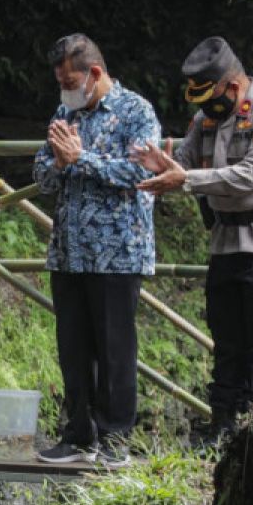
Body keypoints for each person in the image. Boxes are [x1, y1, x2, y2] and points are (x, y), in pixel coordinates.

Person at [135, 36, 253, 438]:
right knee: (227, 348)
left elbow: (252, 175)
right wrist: (166, 165)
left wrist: (186, 178)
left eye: (210, 97)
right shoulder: (205, 120)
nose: (204, 108)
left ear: (233, 86)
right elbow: (186, 161)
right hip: (226, 247)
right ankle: (221, 435)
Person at [32, 33, 161, 467]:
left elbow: (140, 171)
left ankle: (115, 438)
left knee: (114, 347)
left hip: (118, 252)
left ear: (95, 74)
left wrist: (80, 159)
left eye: (71, 81)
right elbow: (41, 172)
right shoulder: (65, 112)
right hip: (69, 251)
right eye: (61, 83)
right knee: (72, 346)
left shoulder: (136, 111)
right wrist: (59, 162)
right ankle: (78, 433)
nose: (66, 90)